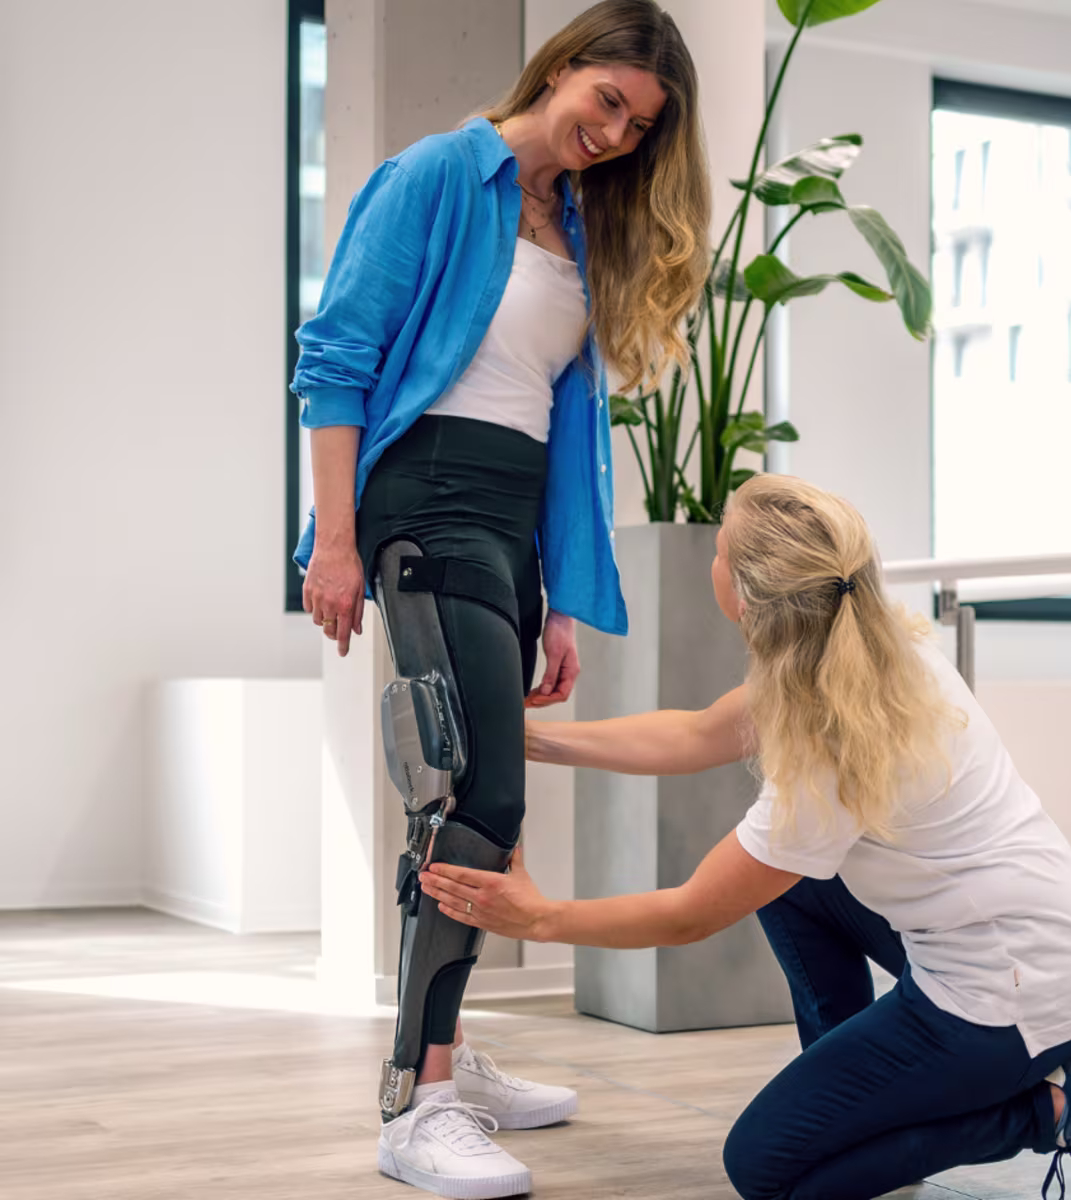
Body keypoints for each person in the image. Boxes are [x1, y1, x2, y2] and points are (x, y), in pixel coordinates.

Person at [419, 474, 1071, 1200]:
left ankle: (1061, 1113)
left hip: (1008, 999)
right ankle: (870, 1113)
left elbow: (692, 913)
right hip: (1036, 944)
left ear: (742, 595)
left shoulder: (829, 742)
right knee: (796, 885)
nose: (710, 554)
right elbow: (692, 734)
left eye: (717, 548)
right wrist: (528, 740)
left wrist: (540, 917)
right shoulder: (866, 650)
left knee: (768, 1170)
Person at [289, 1, 710, 1194]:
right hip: (423, 503)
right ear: (564, 66)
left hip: (509, 527)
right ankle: (414, 1104)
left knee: (485, 800)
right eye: (608, 101)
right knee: (474, 785)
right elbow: (335, 357)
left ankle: (452, 1053)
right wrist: (333, 540)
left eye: (639, 127)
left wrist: (560, 599)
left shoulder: (577, 224)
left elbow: (561, 420)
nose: (615, 134)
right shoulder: (434, 174)